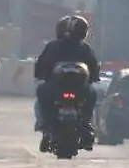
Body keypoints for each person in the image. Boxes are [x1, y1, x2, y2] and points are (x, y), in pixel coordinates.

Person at [34, 13, 100, 152]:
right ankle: (85, 125)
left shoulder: (52, 46)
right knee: (93, 94)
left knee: (41, 92)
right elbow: (94, 67)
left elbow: (41, 65)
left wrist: (40, 75)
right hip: (78, 90)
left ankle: (47, 127)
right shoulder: (85, 48)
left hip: (56, 89)